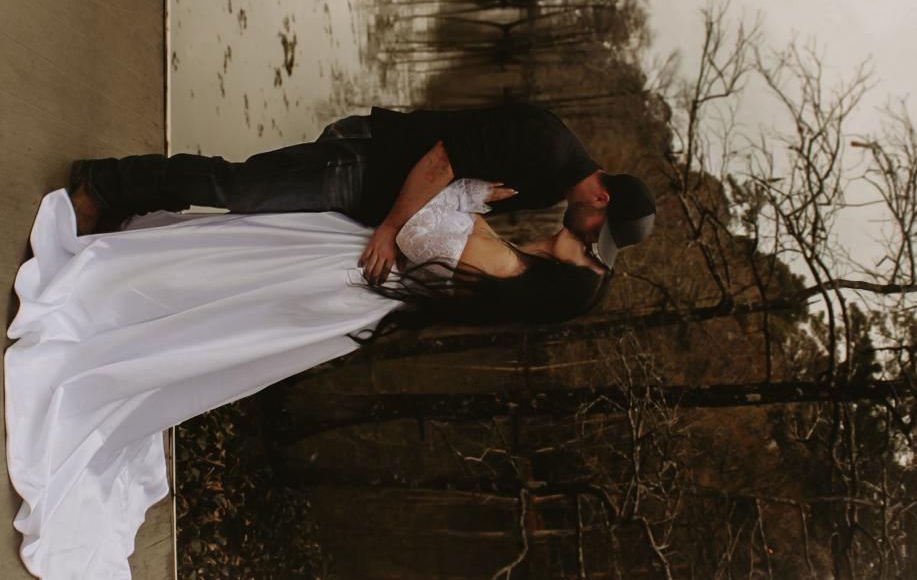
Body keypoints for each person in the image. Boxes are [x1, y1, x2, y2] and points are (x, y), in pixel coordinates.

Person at [4, 168, 627, 578]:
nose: (584, 243)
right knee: (224, 312)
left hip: (347, 269)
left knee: (221, 292)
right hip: (353, 294)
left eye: (587, 258)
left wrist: (464, 191)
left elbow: (420, 228)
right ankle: (128, 311)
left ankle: (106, 308)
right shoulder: (507, 269)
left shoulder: (501, 265)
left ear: (562, 281)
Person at [68, 103, 658, 283]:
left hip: (378, 192)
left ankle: (125, 201)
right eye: (597, 234)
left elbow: (461, 193)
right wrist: (389, 229)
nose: (588, 237)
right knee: (241, 187)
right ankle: (105, 184)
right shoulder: (549, 147)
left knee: (250, 217)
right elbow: (441, 160)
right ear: (602, 202)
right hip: (371, 162)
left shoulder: (552, 184)